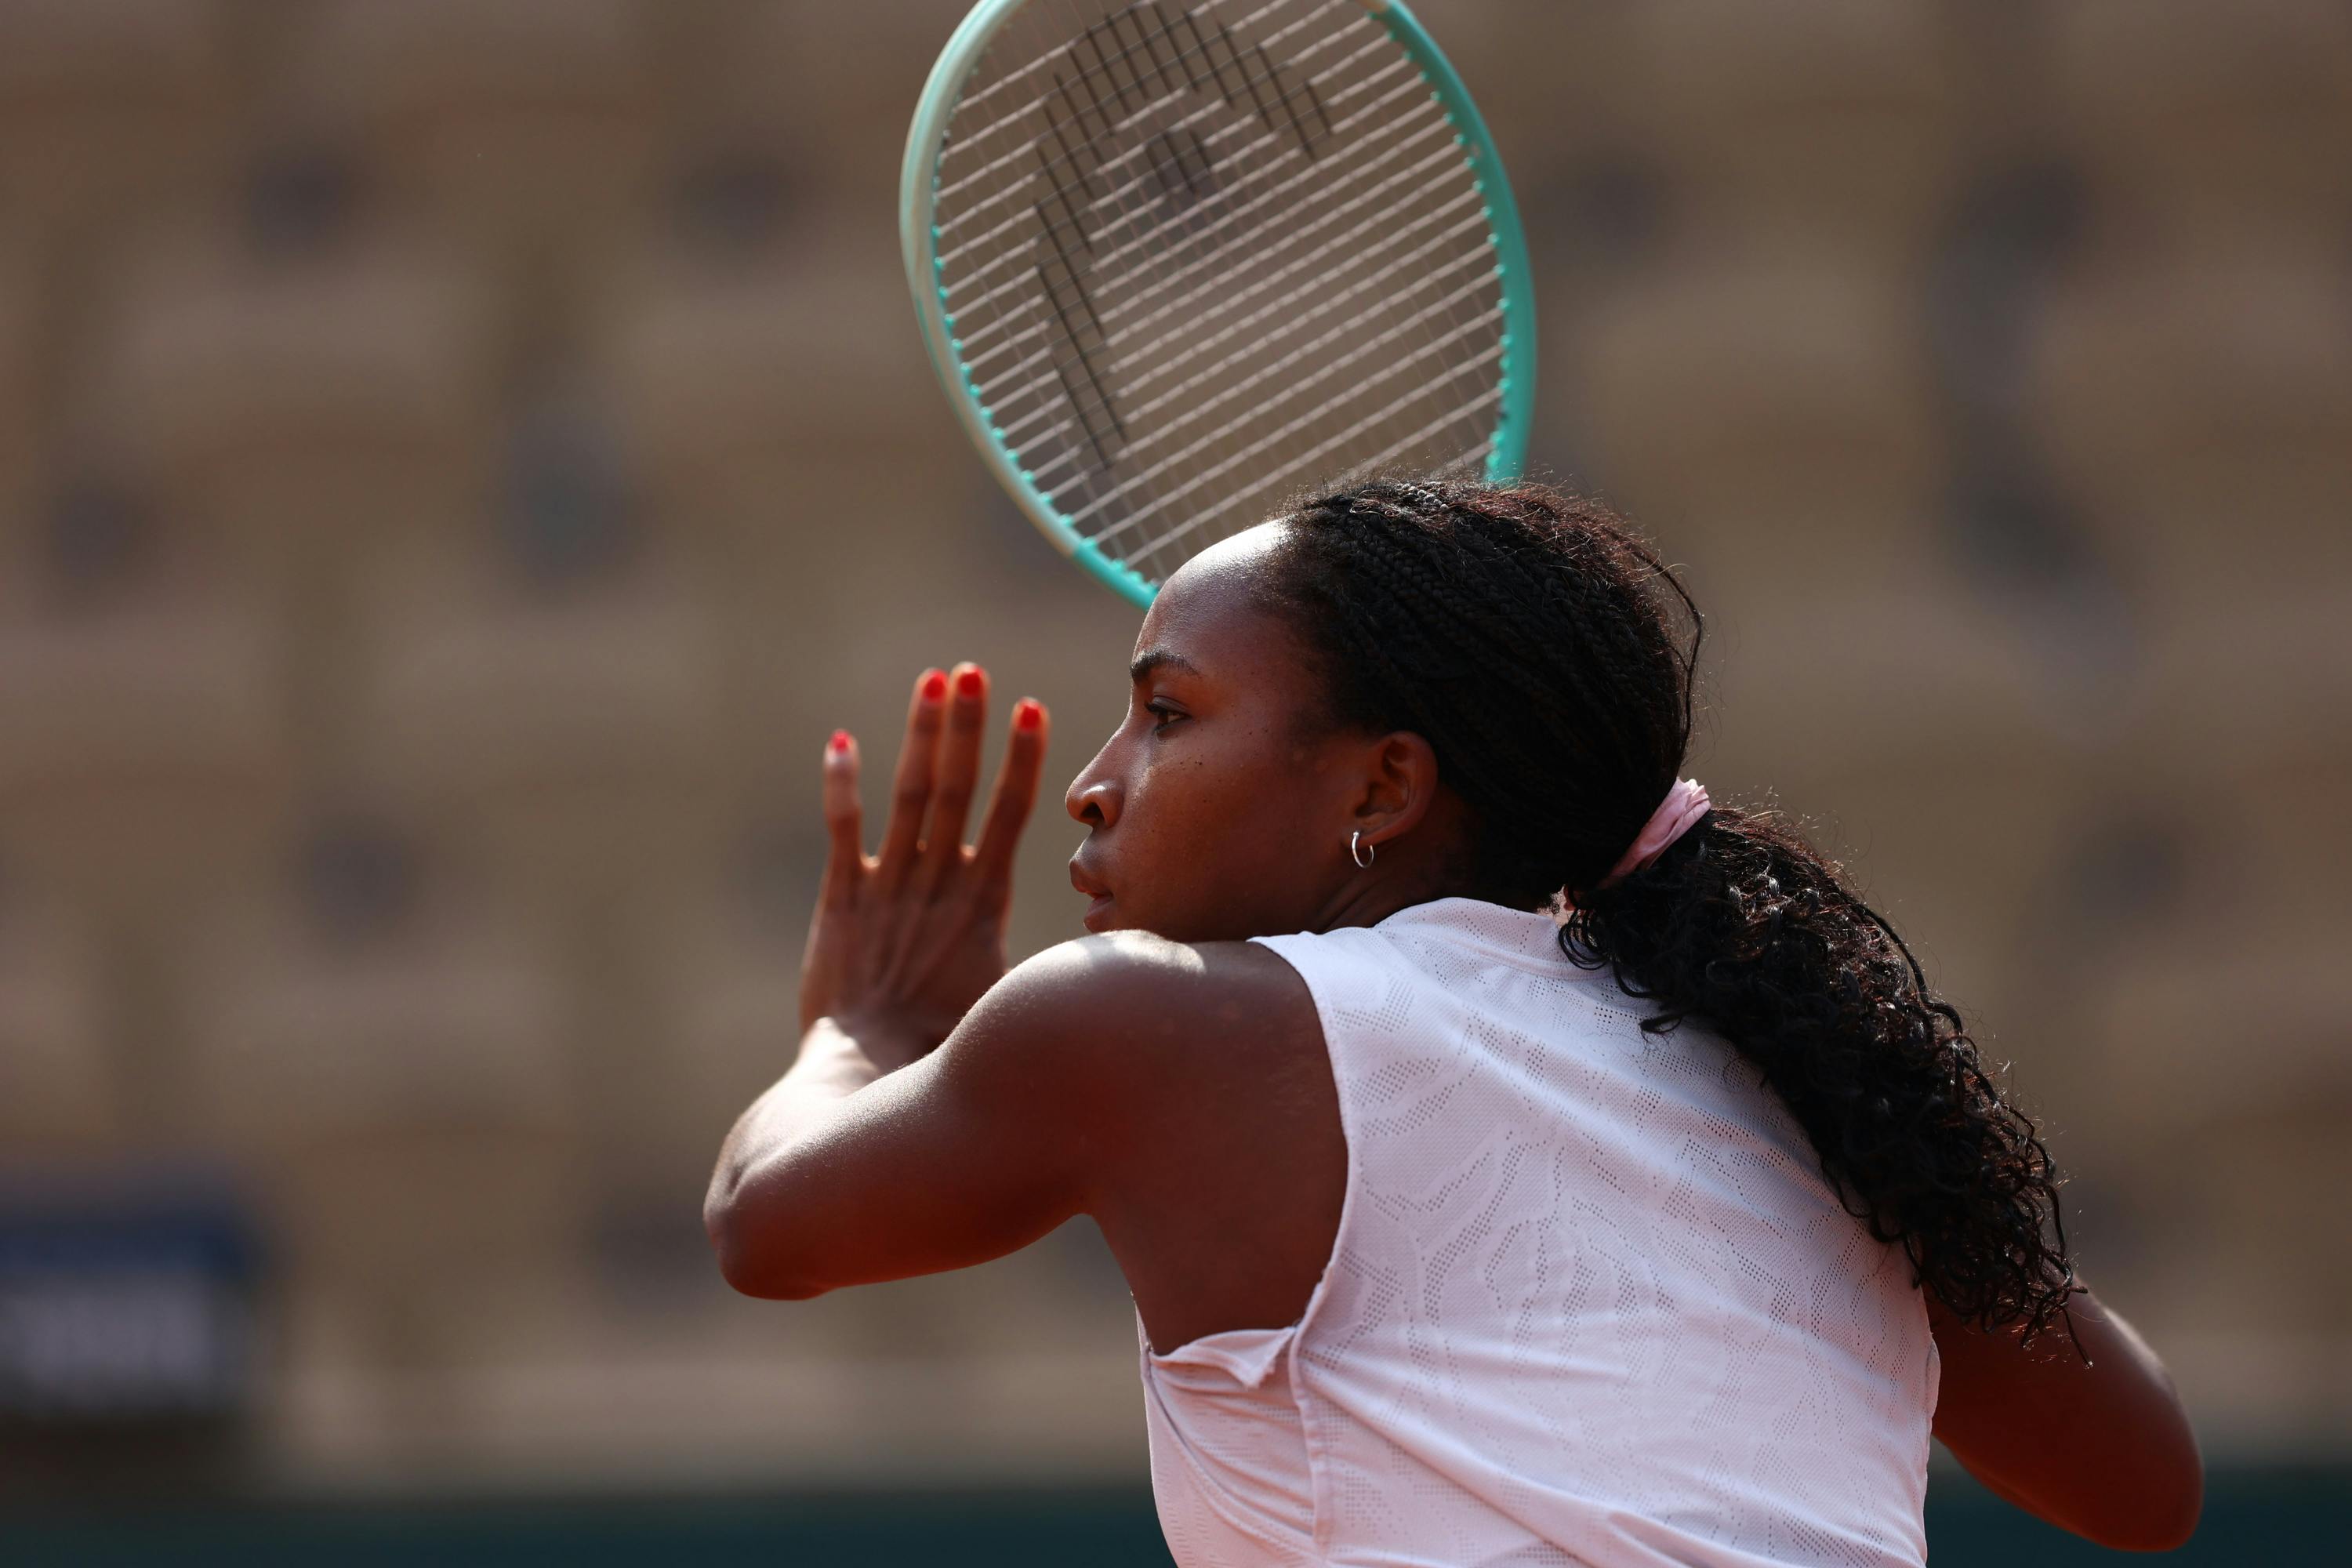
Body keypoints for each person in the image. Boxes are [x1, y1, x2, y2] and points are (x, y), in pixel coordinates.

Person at [705, 479, 2201, 1566]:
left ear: (1381, 789)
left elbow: (766, 1228)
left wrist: (863, 1026)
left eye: (1168, 713)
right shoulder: (1785, 1072)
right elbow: (2146, 1486)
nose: (1099, 781)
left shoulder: (1146, 1028)